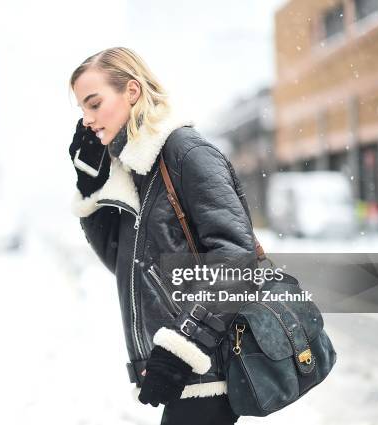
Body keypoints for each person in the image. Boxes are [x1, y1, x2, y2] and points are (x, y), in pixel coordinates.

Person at [68, 47, 257, 425]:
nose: (87, 120)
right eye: (81, 111)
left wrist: (182, 347)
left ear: (132, 92)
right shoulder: (135, 171)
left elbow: (238, 258)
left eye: (94, 104)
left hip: (208, 363)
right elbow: (125, 263)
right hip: (187, 371)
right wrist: (93, 186)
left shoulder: (185, 153)